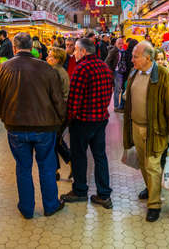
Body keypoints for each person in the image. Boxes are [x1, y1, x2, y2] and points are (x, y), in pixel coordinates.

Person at [0, 32, 66, 219]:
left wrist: (4, 116)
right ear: (32, 47)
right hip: (44, 128)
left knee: (23, 168)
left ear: (14, 48)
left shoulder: (2, 68)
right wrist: (60, 121)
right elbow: (58, 100)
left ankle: (27, 209)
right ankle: (50, 206)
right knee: (46, 167)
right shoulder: (47, 68)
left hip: (15, 128)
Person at [123, 41, 169, 222]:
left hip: (155, 130)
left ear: (147, 58)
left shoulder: (163, 75)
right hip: (136, 127)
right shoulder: (135, 73)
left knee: (153, 166)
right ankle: (150, 189)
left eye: (135, 56)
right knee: (143, 164)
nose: (132, 59)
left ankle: (154, 204)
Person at [61, 38, 113, 209]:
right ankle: (104, 194)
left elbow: (74, 101)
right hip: (100, 119)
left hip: (83, 121)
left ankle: (80, 190)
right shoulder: (104, 67)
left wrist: (67, 121)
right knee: (100, 157)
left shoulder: (81, 68)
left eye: (76, 50)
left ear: (83, 51)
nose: (74, 53)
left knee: (79, 156)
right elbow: (108, 94)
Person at [47, 46, 71, 180]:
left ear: (56, 59)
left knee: (54, 140)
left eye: (49, 56)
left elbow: (54, 94)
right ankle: (59, 167)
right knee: (56, 140)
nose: (47, 58)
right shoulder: (61, 70)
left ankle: (56, 169)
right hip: (62, 109)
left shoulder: (54, 72)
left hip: (58, 110)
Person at [105, 37, 127, 112]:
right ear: (115, 44)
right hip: (116, 72)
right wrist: (110, 71)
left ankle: (116, 105)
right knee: (117, 90)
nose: (121, 45)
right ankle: (116, 106)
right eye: (119, 43)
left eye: (122, 43)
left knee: (117, 89)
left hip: (120, 72)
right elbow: (107, 61)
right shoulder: (114, 50)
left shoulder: (122, 51)